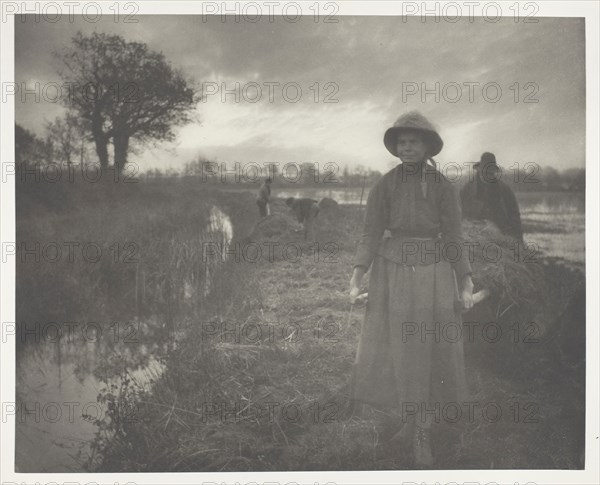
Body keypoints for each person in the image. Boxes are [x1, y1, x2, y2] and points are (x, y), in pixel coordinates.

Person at [348, 111, 474, 467]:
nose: (406, 148)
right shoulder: (383, 185)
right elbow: (370, 232)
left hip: (433, 274)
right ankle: (408, 420)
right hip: (392, 275)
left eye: (413, 142)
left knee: (430, 349)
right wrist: (358, 274)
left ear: (427, 147)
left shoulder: (443, 187)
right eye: (401, 142)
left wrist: (465, 280)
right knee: (397, 349)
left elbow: (453, 237)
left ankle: (423, 432)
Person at [460, 152, 523, 242]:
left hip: (500, 234)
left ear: (494, 172)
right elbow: (457, 212)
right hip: (473, 233)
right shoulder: (467, 188)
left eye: (491, 173)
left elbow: (514, 216)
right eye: (485, 172)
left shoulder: (504, 190)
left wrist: (518, 240)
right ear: (479, 170)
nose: (488, 176)